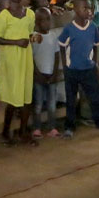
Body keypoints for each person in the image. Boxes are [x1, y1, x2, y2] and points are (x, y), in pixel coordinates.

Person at [58, 0, 99, 139]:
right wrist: (65, 66)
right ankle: (69, 127)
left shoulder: (92, 27)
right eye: (85, 8)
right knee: (71, 100)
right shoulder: (69, 29)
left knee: (96, 98)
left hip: (88, 69)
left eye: (90, 8)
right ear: (75, 10)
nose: (88, 11)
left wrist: (94, 63)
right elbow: (62, 46)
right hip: (72, 70)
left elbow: (96, 46)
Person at [0, 0, 38, 146]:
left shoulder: (30, 14)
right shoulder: (4, 16)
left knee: (27, 97)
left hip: (25, 59)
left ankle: (23, 131)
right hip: (11, 60)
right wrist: (16, 42)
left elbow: (30, 33)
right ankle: (5, 131)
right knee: (13, 98)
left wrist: (34, 38)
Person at [31, 7, 61, 139]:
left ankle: (52, 127)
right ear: (37, 22)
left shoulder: (53, 36)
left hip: (51, 75)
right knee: (37, 104)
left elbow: (56, 55)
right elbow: (31, 58)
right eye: (43, 20)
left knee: (51, 104)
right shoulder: (34, 37)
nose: (47, 23)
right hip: (39, 76)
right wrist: (37, 74)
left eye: (49, 19)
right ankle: (37, 128)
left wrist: (54, 73)